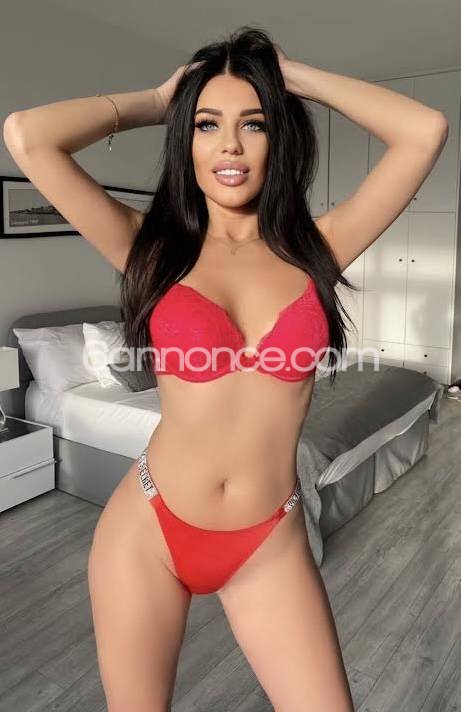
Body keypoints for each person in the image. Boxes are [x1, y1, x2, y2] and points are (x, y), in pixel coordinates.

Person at [4, 25, 448, 712]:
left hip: (269, 538)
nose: (230, 145)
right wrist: (158, 101)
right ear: (185, 138)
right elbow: (28, 136)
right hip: (149, 529)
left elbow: (423, 131)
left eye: (255, 123)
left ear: (280, 138)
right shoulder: (149, 249)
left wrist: (292, 78)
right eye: (207, 124)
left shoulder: (319, 248)